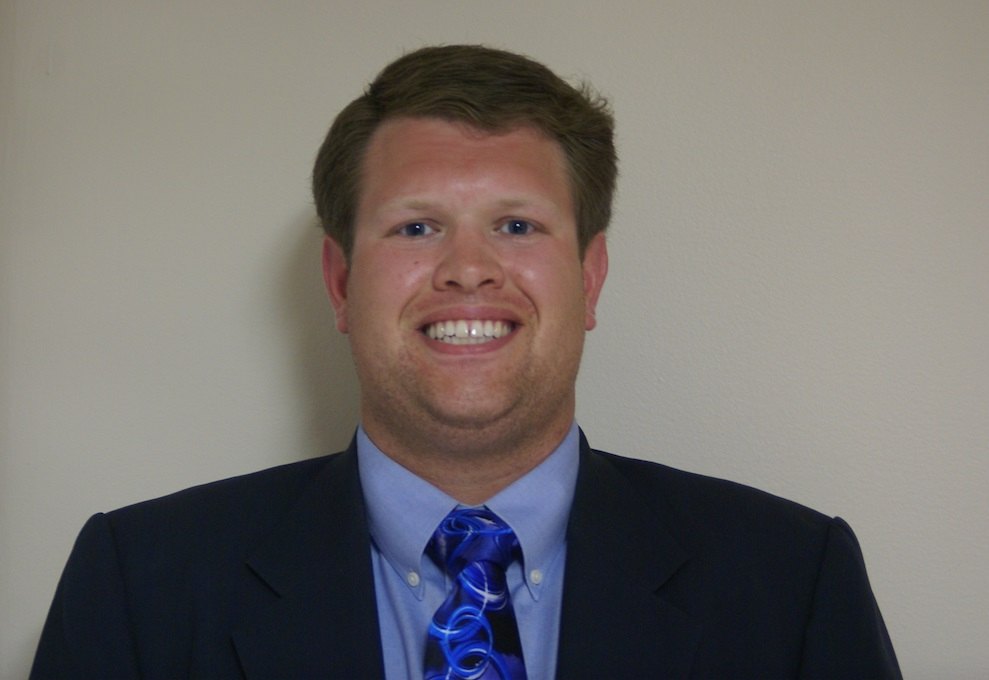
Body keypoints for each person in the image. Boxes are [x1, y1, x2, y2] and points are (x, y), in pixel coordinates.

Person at [31, 45, 901, 679]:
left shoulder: (792, 581)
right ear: (340, 282)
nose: (468, 269)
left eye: (516, 226)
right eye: (416, 227)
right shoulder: (137, 586)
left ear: (590, 278)